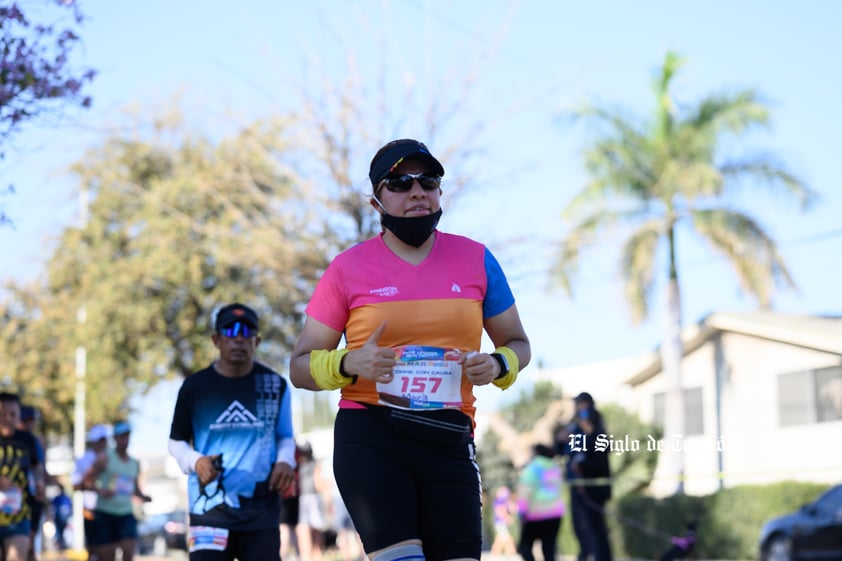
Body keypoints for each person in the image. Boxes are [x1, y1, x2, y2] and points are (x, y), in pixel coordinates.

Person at [289, 138, 531, 561]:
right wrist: (348, 361)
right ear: (375, 201)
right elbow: (300, 366)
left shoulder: (476, 259)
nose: (417, 191)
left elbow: (518, 343)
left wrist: (497, 363)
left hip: (449, 437)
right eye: (399, 182)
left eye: (428, 180)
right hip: (372, 436)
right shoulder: (347, 269)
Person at [168, 302, 297, 561]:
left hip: (261, 509)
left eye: (247, 332)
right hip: (209, 508)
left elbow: (285, 436)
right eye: (230, 332)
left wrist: (285, 460)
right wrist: (196, 461)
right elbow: (176, 442)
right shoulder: (195, 387)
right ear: (216, 340)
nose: (239, 339)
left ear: (256, 341)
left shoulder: (275, 385)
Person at [83, 421, 151, 561]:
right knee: (108, 556)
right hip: (105, 514)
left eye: (127, 436)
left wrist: (144, 497)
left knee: (128, 551)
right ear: (115, 438)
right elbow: (87, 480)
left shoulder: (134, 463)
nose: (124, 440)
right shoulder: (105, 457)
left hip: (126, 514)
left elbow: (135, 489)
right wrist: (101, 491)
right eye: (121, 436)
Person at [0, 392, 44, 561]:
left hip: (19, 515)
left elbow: (37, 469)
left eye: (13, 414)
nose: (8, 419)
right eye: (3, 414)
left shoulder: (28, 440)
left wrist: (39, 484)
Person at [570, 400, 612, 561]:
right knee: (591, 530)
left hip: (596, 493)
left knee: (597, 531)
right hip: (587, 492)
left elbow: (599, 463)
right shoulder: (586, 438)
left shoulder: (599, 437)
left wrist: (582, 465)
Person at [516, 444, 565, 561]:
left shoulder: (531, 468)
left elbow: (524, 493)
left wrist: (522, 513)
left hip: (535, 514)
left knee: (525, 547)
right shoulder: (555, 468)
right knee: (549, 549)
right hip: (555, 513)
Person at [71, 424, 110, 561]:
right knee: (94, 549)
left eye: (104, 440)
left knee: (109, 550)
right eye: (99, 440)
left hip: (111, 510)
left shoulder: (112, 457)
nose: (102, 443)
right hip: (91, 510)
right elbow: (75, 485)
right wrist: (95, 485)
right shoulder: (83, 460)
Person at [19, 405, 47, 561]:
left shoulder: (37, 442)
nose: (29, 425)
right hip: (13, 500)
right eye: (25, 420)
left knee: (30, 544)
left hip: (33, 498)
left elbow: (40, 469)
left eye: (31, 421)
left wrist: (41, 487)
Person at [295, 443, 326, 561]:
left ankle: (308, 557)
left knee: (305, 531)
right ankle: (318, 555)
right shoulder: (314, 464)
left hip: (304, 498)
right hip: (312, 498)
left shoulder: (301, 465)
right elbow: (319, 483)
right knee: (315, 530)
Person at [489, 486, 517, 556]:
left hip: (501, 523)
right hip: (500, 523)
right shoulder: (499, 501)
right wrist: (507, 518)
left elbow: (511, 509)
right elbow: (499, 511)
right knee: (507, 539)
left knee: (500, 539)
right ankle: (511, 553)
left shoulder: (504, 501)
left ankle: (496, 553)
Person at [50, 485, 72, 551]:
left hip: (64, 517)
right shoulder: (57, 498)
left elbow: (70, 507)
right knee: (59, 531)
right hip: (59, 516)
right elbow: (52, 506)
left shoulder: (66, 497)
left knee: (62, 531)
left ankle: (61, 544)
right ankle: (59, 544)